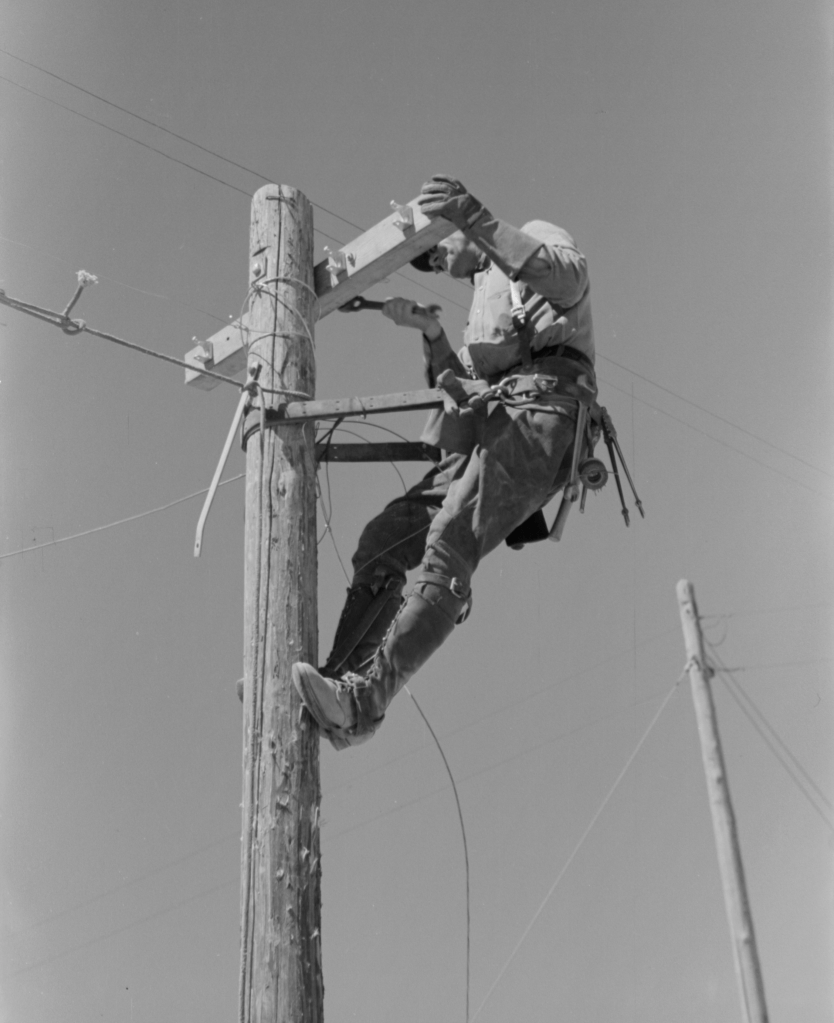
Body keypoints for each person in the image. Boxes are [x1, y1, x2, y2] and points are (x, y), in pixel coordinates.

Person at [293, 174, 597, 750]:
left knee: (450, 541)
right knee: (384, 538)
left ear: (460, 227)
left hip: (545, 414)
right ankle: (336, 682)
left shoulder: (525, 240)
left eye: (437, 248)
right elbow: (460, 403)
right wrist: (432, 335)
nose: (434, 261)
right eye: (426, 261)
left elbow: (569, 277)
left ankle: (362, 705)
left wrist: (475, 216)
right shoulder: (484, 299)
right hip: (499, 420)